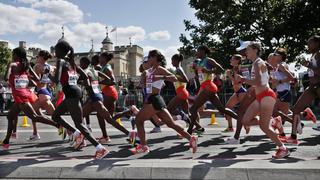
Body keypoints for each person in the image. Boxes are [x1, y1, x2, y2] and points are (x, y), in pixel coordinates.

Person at [130, 50, 197, 154]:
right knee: (171, 124)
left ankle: (143, 146)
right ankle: (191, 138)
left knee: (139, 120)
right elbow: (149, 84)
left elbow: (174, 78)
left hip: (154, 99)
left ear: (155, 57)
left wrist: (160, 77)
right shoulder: (149, 71)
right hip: (154, 99)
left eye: (150, 57)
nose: (148, 59)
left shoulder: (160, 69)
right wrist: (144, 83)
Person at [50, 40, 108, 159]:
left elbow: (56, 80)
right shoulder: (71, 63)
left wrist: (48, 74)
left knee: (80, 124)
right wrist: (77, 82)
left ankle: (100, 148)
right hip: (74, 92)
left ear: (61, 51)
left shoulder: (60, 61)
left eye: (56, 50)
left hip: (72, 94)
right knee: (55, 116)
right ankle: (77, 133)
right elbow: (84, 76)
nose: (55, 52)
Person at [237, 42, 290, 159]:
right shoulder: (257, 62)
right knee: (245, 120)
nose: (246, 52)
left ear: (255, 50)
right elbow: (263, 80)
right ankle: (274, 122)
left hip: (267, 96)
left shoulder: (258, 63)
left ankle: (283, 148)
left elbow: (258, 82)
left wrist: (243, 79)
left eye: (248, 49)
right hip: (261, 96)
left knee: (264, 127)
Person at [1, 47, 59, 150]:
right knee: (10, 116)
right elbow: (37, 78)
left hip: (21, 96)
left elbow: (6, 77)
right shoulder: (26, 65)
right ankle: (6, 141)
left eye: (13, 54)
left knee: (34, 117)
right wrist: (26, 78)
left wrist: (9, 67)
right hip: (26, 94)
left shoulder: (13, 64)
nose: (12, 56)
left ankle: (57, 125)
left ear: (16, 55)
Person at [188, 45, 238, 135]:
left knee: (193, 109)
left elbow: (220, 69)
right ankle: (241, 120)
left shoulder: (209, 60)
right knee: (221, 109)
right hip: (205, 87)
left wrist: (208, 71)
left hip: (208, 86)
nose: (196, 53)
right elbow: (199, 76)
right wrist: (195, 69)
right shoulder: (199, 62)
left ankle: (190, 131)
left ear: (203, 51)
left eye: (198, 51)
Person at [79, 57, 131, 143]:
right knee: (109, 119)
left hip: (94, 99)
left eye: (81, 64)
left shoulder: (86, 72)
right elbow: (110, 81)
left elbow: (85, 83)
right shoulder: (96, 71)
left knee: (79, 118)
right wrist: (97, 82)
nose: (80, 66)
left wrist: (86, 84)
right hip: (99, 95)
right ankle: (129, 134)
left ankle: (82, 140)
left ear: (84, 64)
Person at [284, 35, 320, 143]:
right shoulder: (313, 55)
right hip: (312, 87)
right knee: (295, 109)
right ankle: (293, 137)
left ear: (317, 43)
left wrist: (308, 65)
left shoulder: (319, 54)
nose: (308, 45)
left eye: (310, 43)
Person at [31, 50, 63, 140]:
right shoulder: (51, 67)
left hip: (42, 93)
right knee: (39, 114)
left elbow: (35, 80)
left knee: (31, 113)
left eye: (37, 57)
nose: (36, 58)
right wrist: (53, 82)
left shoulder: (37, 66)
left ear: (41, 57)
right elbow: (57, 74)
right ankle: (35, 133)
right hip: (45, 91)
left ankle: (71, 132)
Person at [223, 54, 247, 132]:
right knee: (227, 108)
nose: (230, 61)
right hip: (237, 92)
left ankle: (268, 120)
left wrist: (229, 75)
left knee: (245, 111)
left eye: (232, 59)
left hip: (241, 92)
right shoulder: (235, 68)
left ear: (237, 61)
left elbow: (237, 82)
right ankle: (230, 127)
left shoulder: (239, 68)